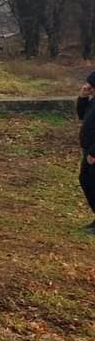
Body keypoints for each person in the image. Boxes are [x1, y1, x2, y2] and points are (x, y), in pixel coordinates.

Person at [78, 73, 95, 234]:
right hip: (88, 150)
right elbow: (82, 115)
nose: (88, 86)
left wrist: (94, 152)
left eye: (90, 84)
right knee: (85, 180)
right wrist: (83, 97)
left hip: (93, 152)